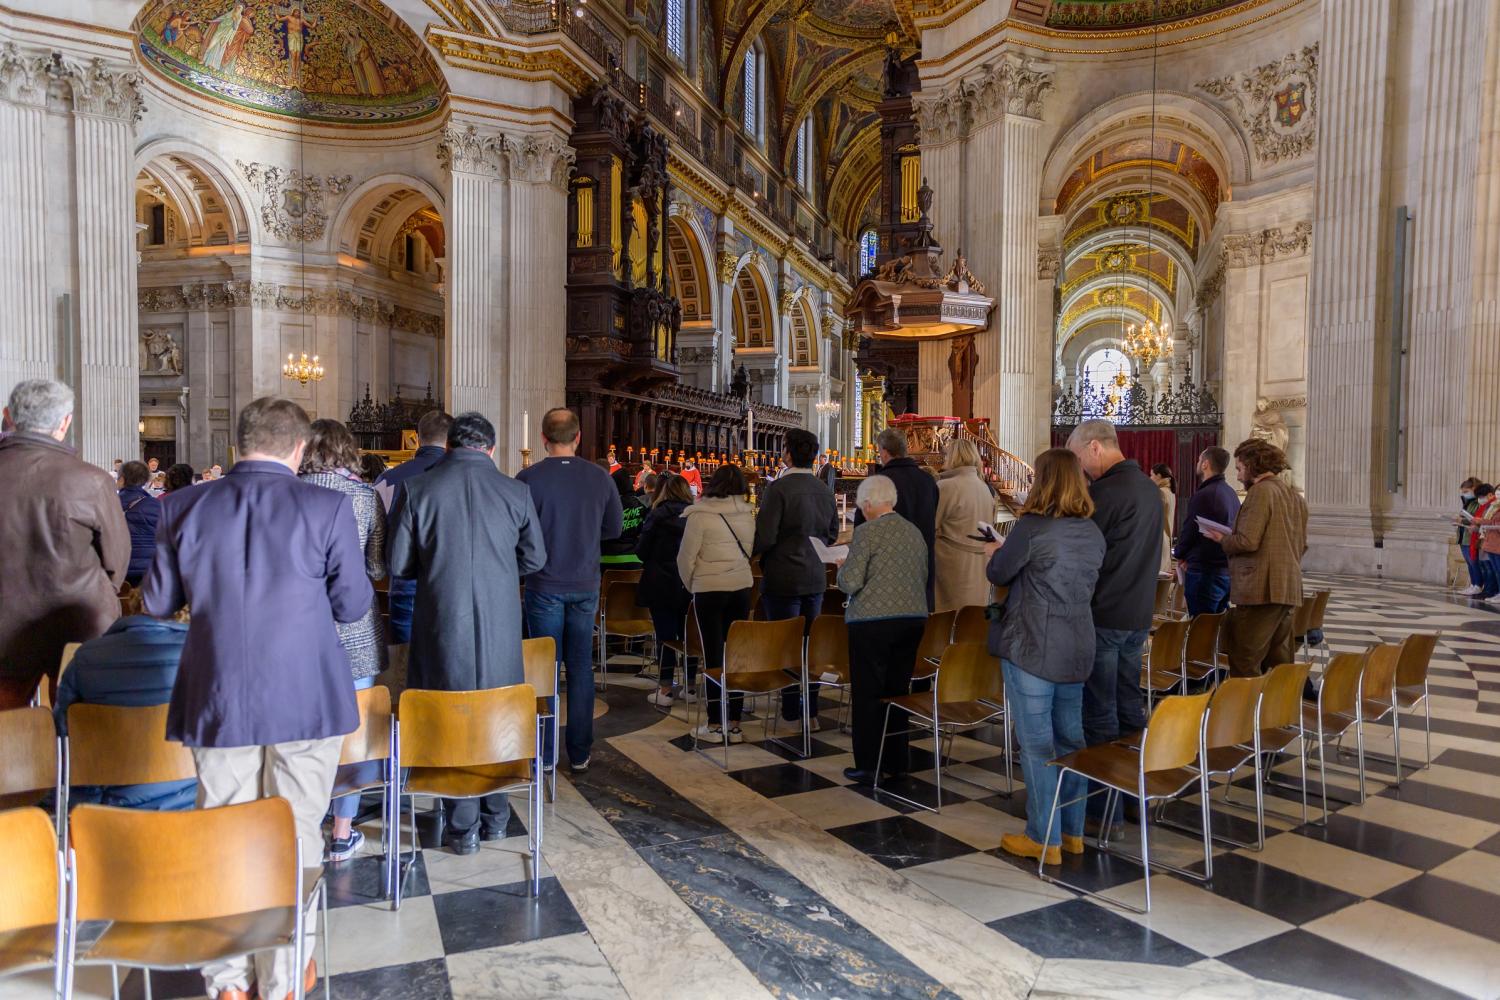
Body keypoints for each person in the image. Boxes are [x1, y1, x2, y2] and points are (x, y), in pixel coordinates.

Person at [143, 396, 372, 1000]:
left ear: (237, 445)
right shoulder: (327, 506)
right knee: (294, 832)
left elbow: (157, 603)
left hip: (218, 695)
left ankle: (227, 979)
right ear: (299, 449)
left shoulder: (182, 505)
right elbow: (352, 605)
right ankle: (282, 977)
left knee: (224, 830)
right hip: (306, 695)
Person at [387, 412, 546, 852]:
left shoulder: (417, 488)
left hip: (441, 618)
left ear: (452, 446)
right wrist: (496, 575)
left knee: (452, 709)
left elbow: (398, 565)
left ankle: (462, 829)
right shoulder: (516, 491)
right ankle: (495, 818)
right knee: (498, 707)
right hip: (500, 620)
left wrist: (441, 570)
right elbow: (535, 558)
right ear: (491, 449)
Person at [984, 448, 1105, 864]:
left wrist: (995, 554)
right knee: (1071, 739)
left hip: (1034, 644)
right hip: (1078, 643)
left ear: (1042, 481)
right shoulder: (1092, 531)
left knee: (1037, 745)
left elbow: (1000, 573)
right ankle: (1071, 833)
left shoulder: (1033, 527)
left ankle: (1043, 837)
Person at [0, 379, 129, 710]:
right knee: (81, 729)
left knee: (7, 735)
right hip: (79, 627)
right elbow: (116, 561)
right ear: (65, 423)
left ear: (7, 416)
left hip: (4, 631)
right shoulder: (92, 480)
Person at [298, 419, 388, 862]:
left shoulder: (289, 492)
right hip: (354, 627)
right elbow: (375, 568)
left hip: (300, 625)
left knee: (304, 725)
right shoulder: (364, 496)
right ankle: (342, 831)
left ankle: (303, 817)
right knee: (355, 726)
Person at [516, 408, 622, 774]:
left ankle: (544, 754)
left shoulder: (527, 478)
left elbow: (518, 533)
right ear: (578, 438)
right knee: (580, 668)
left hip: (543, 583)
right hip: (585, 582)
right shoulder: (600, 477)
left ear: (543, 439)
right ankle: (579, 752)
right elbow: (614, 529)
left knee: (544, 669)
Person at [1066, 419, 1160, 823]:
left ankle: (1103, 806)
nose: (1081, 469)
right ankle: (1133, 797)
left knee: (1099, 710)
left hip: (1105, 614)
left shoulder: (1105, 494)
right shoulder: (1149, 489)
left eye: (1079, 458)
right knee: (1129, 707)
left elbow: (1081, 552)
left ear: (1094, 448)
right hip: (1138, 613)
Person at [53, 590, 197, 811]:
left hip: (107, 808)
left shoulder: (85, 657)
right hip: (193, 807)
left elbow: (63, 738)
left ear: (135, 606)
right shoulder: (206, 656)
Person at [837, 475, 930, 784]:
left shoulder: (866, 533)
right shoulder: (913, 531)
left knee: (868, 694)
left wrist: (841, 569)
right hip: (913, 619)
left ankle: (868, 765)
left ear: (867, 504)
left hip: (873, 622)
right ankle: (896, 760)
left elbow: (850, 582)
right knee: (897, 692)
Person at [753, 428, 840, 730]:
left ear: (787, 453)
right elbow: (831, 534)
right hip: (815, 576)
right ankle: (812, 712)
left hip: (783, 577)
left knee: (786, 645)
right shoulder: (824, 491)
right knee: (810, 645)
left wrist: (757, 555)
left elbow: (765, 536)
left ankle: (791, 711)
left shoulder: (778, 490)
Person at [1201, 439, 1308, 676]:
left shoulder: (1261, 492)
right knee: (1280, 660)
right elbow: (1302, 544)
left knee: (1244, 658)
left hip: (1261, 589)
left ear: (1252, 465)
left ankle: (1245, 711)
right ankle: (1278, 710)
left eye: (1239, 469)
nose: (1238, 476)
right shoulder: (1294, 496)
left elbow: (1247, 541)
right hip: (1287, 586)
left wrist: (1222, 539)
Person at [678, 464, 756, 743]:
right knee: (735, 655)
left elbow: (685, 558)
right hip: (741, 587)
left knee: (713, 654)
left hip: (709, 589)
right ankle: (735, 724)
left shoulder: (700, 515)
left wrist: (694, 585)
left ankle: (714, 724)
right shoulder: (748, 515)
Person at [375, 409, 452, 644]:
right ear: (451, 440)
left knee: (404, 664)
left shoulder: (387, 479)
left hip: (403, 581)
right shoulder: (461, 478)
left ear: (418, 438)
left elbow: (376, 533)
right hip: (449, 583)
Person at [854, 427, 939, 609]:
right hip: (922, 568)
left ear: (884, 452)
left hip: (887, 575)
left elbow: (860, 532)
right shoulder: (928, 481)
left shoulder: (876, 484)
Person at [638, 473, 694, 708]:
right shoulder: (695, 516)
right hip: (688, 581)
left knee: (666, 636)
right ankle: (690, 687)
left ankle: (666, 689)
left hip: (660, 580)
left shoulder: (656, 514)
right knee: (689, 635)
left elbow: (642, 550)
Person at [1172, 448, 1241, 615]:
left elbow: (1190, 529)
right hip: (1224, 569)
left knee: (1200, 628)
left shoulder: (1205, 494)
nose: (1197, 463)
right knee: (1214, 627)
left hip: (1206, 572)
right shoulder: (1231, 493)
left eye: (1198, 460)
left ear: (1205, 464)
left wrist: (1180, 553)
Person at [933, 438, 995, 612]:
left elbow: (931, 526)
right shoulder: (983, 487)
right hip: (980, 565)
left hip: (953, 567)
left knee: (948, 623)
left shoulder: (946, 486)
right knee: (970, 620)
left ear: (952, 457)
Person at [117, 460, 161, 587]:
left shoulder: (108, 502)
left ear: (122, 479)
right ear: (146, 480)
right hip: (149, 568)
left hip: (117, 568)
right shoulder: (156, 505)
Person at [602, 468, 647, 570]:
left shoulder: (607, 505)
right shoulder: (640, 505)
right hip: (634, 560)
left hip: (605, 559)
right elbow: (643, 531)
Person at [1472, 484, 1499, 599]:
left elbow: (1495, 524)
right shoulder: (1494, 506)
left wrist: (1482, 522)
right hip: (1489, 541)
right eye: (1497, 491)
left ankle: (1492, 590)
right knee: (1494, 569)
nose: (1498, 494)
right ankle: (1492, 591)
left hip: (1496, 542)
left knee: (1496, 570)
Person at [1150, 463, 1177, 576]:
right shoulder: (1170, 492)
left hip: (1159, 539)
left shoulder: (1160, 492)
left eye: (1151, 475)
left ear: (1159, 476)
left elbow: (1152, 518)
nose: (1150, 478)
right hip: (1166, 539)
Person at [1458, 478, 1483, 596]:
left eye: (1466, 491)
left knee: (1474, 562)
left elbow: (1476, 519)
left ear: (1474, 489)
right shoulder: (1467, 502)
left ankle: (1478, 585)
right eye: (1463, 492)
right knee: (1469, 562)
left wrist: (1462, 520)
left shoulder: (1479, 502)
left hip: (1472, 536)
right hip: (1463, 535)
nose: (1464, 494)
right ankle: (1473, 584)